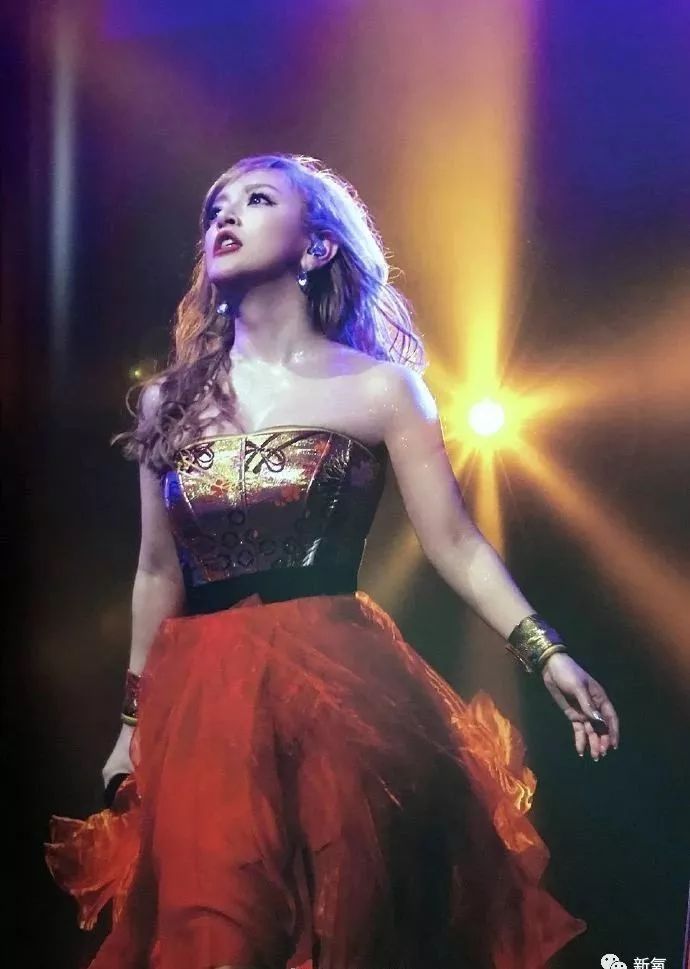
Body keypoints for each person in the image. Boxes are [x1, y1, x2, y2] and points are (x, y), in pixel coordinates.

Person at [45, 153, 619, 969]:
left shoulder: (382, 390)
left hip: (338, 696)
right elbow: (156, 572)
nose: (224, 216)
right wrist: (130, 728)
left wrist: (545, 649)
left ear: (316, 247)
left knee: (350, 927)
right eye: (215, 208)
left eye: (256, 199)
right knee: (219, 931)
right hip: (205, 708)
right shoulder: (168, 402)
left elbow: (454, 541)